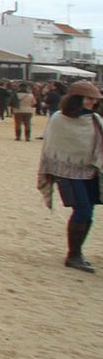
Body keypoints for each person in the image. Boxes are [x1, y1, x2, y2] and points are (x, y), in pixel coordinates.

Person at [36, 80, 102, 273]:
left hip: (90, 171)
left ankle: (77, 252)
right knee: (82, 210)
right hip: (65, 172)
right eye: (88, 99)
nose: (92, 103)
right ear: (76, 99)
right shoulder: (58, 119)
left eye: (94, 99)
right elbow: (51, 146)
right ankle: (73, 255)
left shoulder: (95, 120)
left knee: (88, 212)